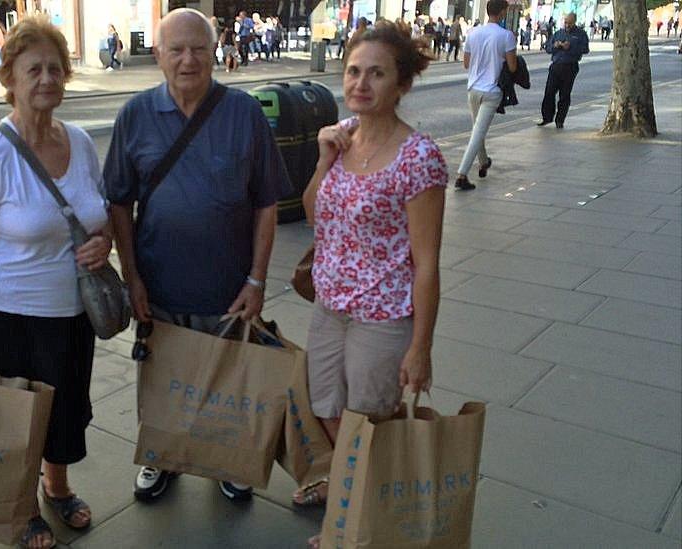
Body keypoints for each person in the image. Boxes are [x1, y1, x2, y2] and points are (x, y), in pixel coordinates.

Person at [103, 8, 289, 504]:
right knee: (163, 381)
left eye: (199, 48)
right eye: (177, 49)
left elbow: (266, 202)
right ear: (158, 55)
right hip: (159, 283)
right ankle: (161, 457)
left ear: (215, 52)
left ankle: (228, 460)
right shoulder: (135, 115)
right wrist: (132, 276)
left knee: (227, 383)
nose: (189, 59)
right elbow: (118, 202)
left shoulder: (244, 112)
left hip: (228, 287)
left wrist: (256, 279)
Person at [0, 15, 110, 549]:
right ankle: (19, 510)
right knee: (17, 422)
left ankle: (57, 489)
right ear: (10, 78)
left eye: (55, 69)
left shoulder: (82, 142)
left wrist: (103, 242)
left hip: (73, 315)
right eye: (33, 69)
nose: (47, 79)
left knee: (66, 413)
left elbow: (97, 215)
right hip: (11, 317)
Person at [300, 22, 446, 548]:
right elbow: (316, 214)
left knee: (367, 424)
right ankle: (351, 486)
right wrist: (323, 160)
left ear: (401, 84)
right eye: (353, 71)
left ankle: (352, 524)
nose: (361, 83)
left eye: (376, 73)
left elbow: (427, 262)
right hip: (329, 306)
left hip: (383, 316)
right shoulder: (343, 135)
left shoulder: (418, 157)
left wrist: (420, 347)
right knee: (327, 409)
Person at [452, 0, 517, 191]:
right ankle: (462, 175)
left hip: (473, 88)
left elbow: (466, 63)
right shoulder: (506, 36)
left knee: (477, 130)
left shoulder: (473, 33)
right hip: (492, 90)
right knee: (477, 133)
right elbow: (513, 67)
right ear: (503, 12)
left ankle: (483, 161)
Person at [538, 12, 589, 129]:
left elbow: (585, 49)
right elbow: (548, 48)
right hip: (556, 65)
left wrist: (570, 47)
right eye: (565, 22)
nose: (567, 25)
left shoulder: (581, 34)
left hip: (570, 66)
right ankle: (546, 117)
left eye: (570, 23)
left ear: (574, 22)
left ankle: (560, 120)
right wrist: (555, 46)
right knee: (549, 92)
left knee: (564, 94)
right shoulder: (558, 33)